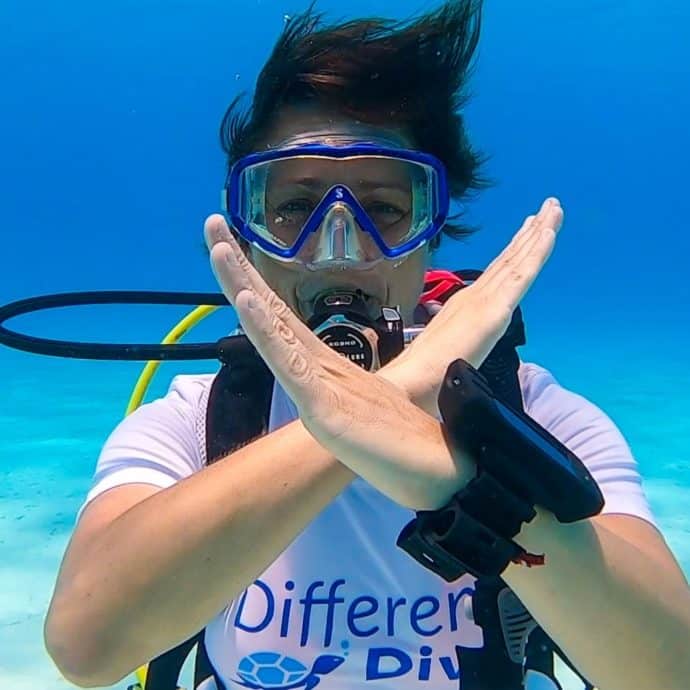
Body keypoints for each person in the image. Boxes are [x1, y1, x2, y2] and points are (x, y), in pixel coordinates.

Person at [44, 2, 690, 689]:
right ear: (247, 233)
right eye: (294, 208)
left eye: (384, 210)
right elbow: (88, 646)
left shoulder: (533, 416)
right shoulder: (193, 422)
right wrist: (377, 405)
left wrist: (461, 483)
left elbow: (669, 669)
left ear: (431, 232)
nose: (337, 248)